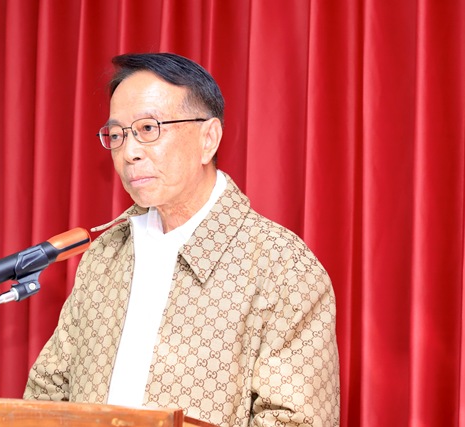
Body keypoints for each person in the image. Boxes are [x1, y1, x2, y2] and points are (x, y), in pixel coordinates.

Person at [24, 52, 340, 427]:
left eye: (148, 129)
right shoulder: (105, 254)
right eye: (117, 135)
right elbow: (47, 393)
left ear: (209, 139)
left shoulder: (282, 266)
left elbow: (297, 421)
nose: (129, 152)